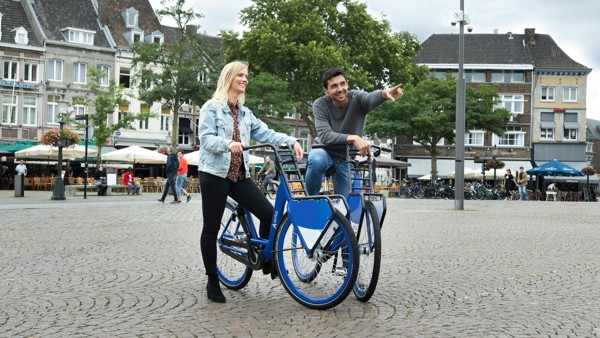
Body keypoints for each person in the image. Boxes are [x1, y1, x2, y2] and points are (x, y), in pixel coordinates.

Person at [197, 60, 303, 303]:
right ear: (229, 78)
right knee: (211, 228)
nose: (245, 79)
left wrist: (291, 140)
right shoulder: (211, 108)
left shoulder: (245, 113)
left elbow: (267, 134)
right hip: (214, 174)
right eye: (241, 75)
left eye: (246, 76)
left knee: (268, 214)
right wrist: (227, 144)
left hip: (239, 175)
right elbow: (206, 139)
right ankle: (213, 280)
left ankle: (265, 258)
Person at [305, 67, 403, 197]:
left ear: (347, 84)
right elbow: (325, 135)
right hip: (324, 150)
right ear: (326, 90)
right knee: (316, 160)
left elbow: (369, 99)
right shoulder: (320, 104)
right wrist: (353, 138)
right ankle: (310, 201)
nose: (340, 89)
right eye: (334, 86)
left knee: (344, 205)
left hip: (346, 156)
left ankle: (338, 215)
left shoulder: (357, 98)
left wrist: (384, 94)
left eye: (342, 83)